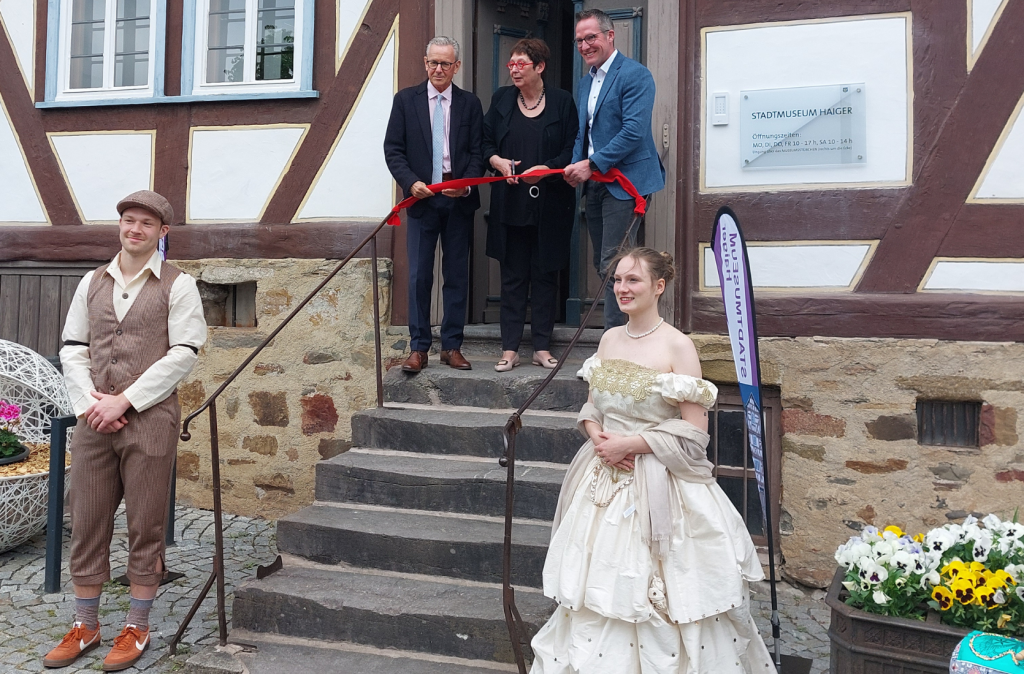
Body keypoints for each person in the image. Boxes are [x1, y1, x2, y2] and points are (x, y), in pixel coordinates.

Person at [529, 247, 774, 673]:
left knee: (665, 591)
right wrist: (598, 437)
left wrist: (632, 445)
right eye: (618, 280)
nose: (623, 288)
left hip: (659, 483)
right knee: (596, 589)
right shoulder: (608, 339)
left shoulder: (678, 346)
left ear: (659, 286)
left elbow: (695, 432)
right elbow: (592, 409)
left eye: (633, 280)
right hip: (601, 475)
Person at [45, 191, 206, 671]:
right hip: (95, 420)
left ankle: (136, 625)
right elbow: (73, 344)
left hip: (151, 421)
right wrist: (90, 403)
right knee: (86, 518)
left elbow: (185, 351)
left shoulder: (179, 285)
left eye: (146, 224)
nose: (135, 230)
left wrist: (127, 399)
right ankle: (85, 626)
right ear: (120, 226)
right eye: (128, 221)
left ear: (162, 232)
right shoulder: (92, 281)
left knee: (145, 523)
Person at [384, 36, 485, 373]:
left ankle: (452, 346)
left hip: (457, 203)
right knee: (418, 277)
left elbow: (476, 152)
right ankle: (419, 347)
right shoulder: (405, 101)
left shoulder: (470, 104)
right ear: (425, 63)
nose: (438, 69)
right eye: (433, 62)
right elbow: (393, 149)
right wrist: (410, 181)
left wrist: (466, 184)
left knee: (456, 275)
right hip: (422, 201)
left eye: (446, 63)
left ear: (456, 67)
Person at [563, 9, 666, 330]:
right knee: (604, 265)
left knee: (616, 266)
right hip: (594, 184)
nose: (584, 45)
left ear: (610, 35)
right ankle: (621, 339)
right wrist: (571, 165)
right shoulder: (584, 83)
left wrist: (591, 164)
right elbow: (585, 133)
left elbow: (634, 132)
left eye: (590, 37)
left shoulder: (635, 75)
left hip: (626, 184)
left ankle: (617, 349)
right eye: (579, 40)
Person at [482, 38, 578, 372]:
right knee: (512, 276)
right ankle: (509, 349)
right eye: (511, 64)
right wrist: (497, 161)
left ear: (539, 66)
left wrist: (546, 169)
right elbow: (485, 142)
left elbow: (571, 150)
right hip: (511, 202)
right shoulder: (501, 100)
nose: (514, 70)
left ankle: (541, 346)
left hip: (551, 202)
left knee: (545, 274)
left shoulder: (563, 103)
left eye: (520, 64)